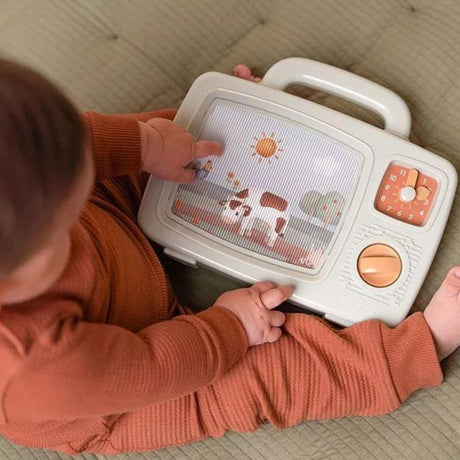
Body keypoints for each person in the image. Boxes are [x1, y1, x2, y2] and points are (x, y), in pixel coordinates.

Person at [0, 58, 458, 455]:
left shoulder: (34, 187)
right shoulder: (36, 368)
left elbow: (80, 142)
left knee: (181, 142)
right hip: (126, 385)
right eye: (62, 222)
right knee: (254, 383)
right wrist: (232, 325)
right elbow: (158, 364)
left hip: (104, 224)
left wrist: (146, 144)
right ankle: (416, 349)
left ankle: (239, 120)